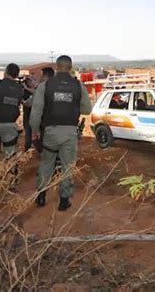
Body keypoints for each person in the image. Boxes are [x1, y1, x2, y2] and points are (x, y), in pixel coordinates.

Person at [31, 55, 92, 211]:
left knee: (46, 163)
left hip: (50, 131)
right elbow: (87, 109)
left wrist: (35, 130)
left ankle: (41, 196)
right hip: (70, 133)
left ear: (57, 67)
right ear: (70, 67)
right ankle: (64, 201)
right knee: (67, 166)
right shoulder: (78, 86)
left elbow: (36, 111)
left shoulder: (45, 85)